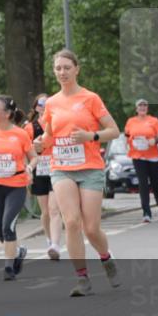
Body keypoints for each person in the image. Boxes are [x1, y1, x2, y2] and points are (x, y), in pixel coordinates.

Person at [34, 50, 120, 297]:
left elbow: (114, 130)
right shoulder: (51, 103)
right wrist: (40, 143)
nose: (62, 72)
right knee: (71, 222)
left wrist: (90, 136)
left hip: (90, 168)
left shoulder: (90, 98)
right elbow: (50, 135)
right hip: (62, 168)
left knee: (91, 228)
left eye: (66, 68)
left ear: (76, 69)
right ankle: (82, 278)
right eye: (58, 68)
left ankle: (106, 258)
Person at [0, 95, 37, 281]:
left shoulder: (20, 134)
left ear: (8, 113)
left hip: (16, 185)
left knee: (7, 225)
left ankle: (8, 268)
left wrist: (29, 168)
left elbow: (34, 157)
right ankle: (18, 252)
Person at [25, 94, 62, 259]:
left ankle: (55, 245)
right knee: (45, 211)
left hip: (56, 168)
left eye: (47, 103)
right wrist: (27, 172)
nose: (44, 106)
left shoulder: (57, 124)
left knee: (54, 209)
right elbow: (26, 151)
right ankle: (49, 239)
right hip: (39, 170)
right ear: (36, 107)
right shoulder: (29, 128)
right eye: (41, 103)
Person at [124, 99, 158, 222]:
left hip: (152, 156)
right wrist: (128, 145)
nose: (142, 108)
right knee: (143, 183)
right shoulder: (131, 121)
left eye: (144, 106)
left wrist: (154, 141)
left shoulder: (153, 120)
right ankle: (146, 213)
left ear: (147, 108)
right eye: (140, 106)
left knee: (155, 184)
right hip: (137, 156)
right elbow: (127, 136)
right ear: (136, 109)